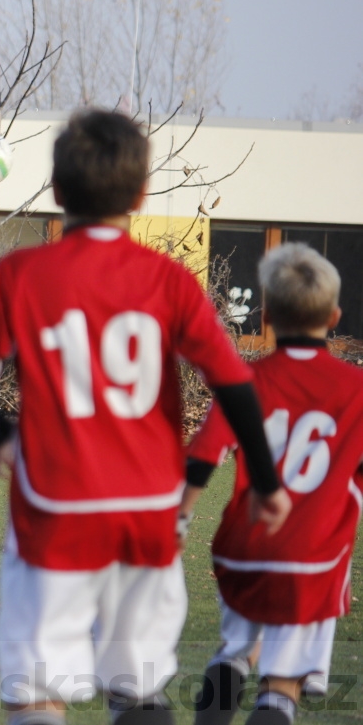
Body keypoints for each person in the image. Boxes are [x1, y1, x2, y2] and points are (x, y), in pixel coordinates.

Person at [0, 109, 291, 725]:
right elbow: (237, 386)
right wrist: (265, 481)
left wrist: (3, 435)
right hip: (148, 515)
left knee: (36, 692)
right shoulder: (169, 280)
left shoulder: (19, 275)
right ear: (141, 194)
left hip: (54, 512)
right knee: (137, 688)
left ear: (56, 191)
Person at [183, 243, 363, 725]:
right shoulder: (356, 389)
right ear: (334, 317)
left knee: (233, 653)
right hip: (315, 555)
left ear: (265, 317)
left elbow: (204, 454)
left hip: (245, 547)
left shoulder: (244, 379)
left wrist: (178, 517)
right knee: (282, 684)